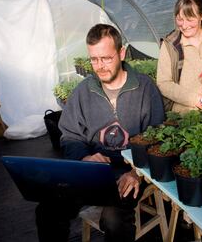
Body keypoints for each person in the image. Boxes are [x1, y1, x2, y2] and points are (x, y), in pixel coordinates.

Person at [35, 24, 164, 242]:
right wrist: (85, 158)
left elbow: (159, 139)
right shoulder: (83, 91)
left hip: (129, 174)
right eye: (94, 59)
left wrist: (136, 172)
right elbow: (70, 135)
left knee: (113, 220)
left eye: (106, 58)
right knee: (47, 210)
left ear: (121, 53)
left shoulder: (144, 89)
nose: (100, 66)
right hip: (92, 172)